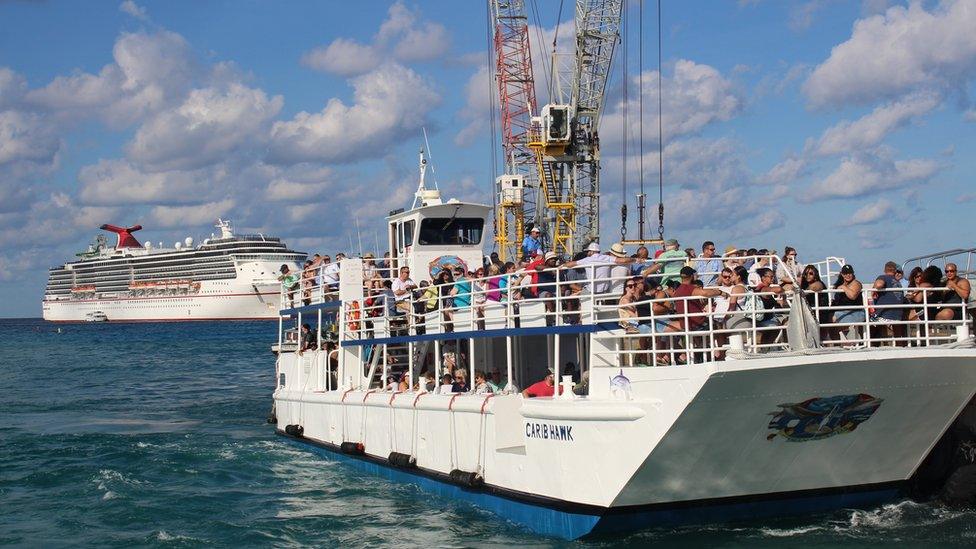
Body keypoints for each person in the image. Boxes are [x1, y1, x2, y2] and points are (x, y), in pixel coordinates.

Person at [562, 242, 636, 294]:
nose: (587, 253)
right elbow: (624, 260)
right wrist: (635, 259)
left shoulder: (587, 260)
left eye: (588, 251)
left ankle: (580, 313)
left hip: (591, 290)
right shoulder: (607, 258)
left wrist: (561, 266)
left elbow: (571, 263)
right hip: (604, 290)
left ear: (591, 251)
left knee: (581, 294)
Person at [831, 264, 865, 341]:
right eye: (845, 273)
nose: (848, 275)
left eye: (850, 273)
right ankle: (838, 344)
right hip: (843, 312)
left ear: (853, 273)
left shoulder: (856, 283)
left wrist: (844, 287)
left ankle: (844, 342)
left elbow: (852, 296)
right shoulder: (838, 285)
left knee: (833, 319)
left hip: (856, 312)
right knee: (827, 318)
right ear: (842, 274)